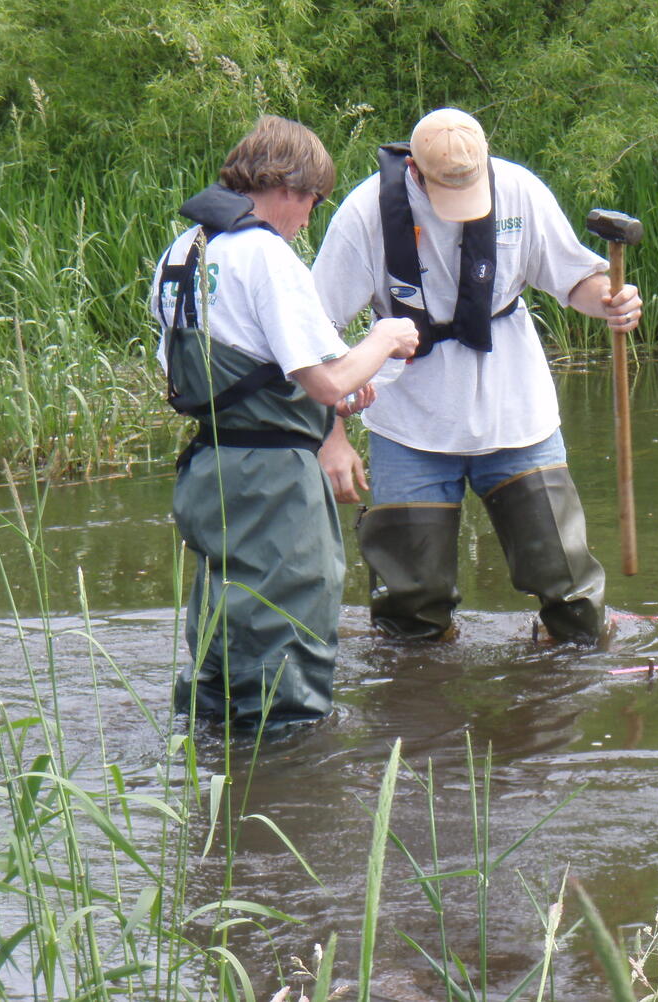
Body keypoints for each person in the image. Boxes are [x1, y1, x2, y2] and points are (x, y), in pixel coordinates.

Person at [311, 107, 641, 644]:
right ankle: (419, 712)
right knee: (408, 612)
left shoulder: (519, 191)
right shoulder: (364, 214)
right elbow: (318, 332)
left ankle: (560, 690)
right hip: (409, 423)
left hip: (517, 414)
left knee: (573, 599)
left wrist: (610, 302)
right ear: (415, 171)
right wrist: (333, 435)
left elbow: (574, 278)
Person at [150, 115, 420, 727]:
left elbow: (206, 376)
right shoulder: (266, 256)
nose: (308, 220)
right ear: (292, 189)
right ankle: (288, 774)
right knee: (291, 613)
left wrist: (327, 404)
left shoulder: (181, 253)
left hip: (211, 467)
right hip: (273, 480)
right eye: (313, 203)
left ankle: (214, 757)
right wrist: (385, 337)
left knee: (224, 611)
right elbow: (325, 379)